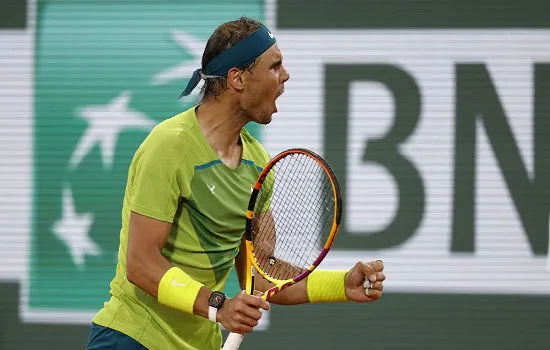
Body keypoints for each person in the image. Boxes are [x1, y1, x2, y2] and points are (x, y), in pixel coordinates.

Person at [86, 16, 386, 350]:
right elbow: (141, 264)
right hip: (132, 338)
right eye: (275, 66)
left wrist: (342, 284)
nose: (285, 76)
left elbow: (262, 275)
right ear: (238, 79)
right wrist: (219, 306)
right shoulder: (168, 147)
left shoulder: (258, 165)